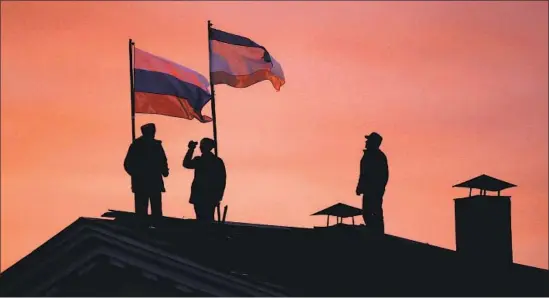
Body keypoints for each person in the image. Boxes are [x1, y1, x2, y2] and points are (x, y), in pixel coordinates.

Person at [123, 123, 169, 219]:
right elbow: (128, 164)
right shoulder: (136, 145)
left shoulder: (156, 145)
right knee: (141, 212)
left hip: (154, 182)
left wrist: (164, 170)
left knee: (156, 210)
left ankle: (156, 227)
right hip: (141, 183)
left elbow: (162, 160)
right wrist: (137, 174)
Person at [183, 138, 227, 222]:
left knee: (206, 219)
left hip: (208, 195)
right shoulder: (212, 161)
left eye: (203, 145)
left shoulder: (215, 161)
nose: (201, 147)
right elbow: (186, 164)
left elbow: (221, 180)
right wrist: (191, 149)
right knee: (203, 219)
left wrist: (218, 195)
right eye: (201, 145)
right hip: (202, 194)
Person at [356, 132, 389, 234]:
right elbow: (363, 174)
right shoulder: (369, 156)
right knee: (367, 212)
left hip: (374, 191)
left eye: (369, 140)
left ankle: (377, 234)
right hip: (368, 190)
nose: (366, 141)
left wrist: (378, 189)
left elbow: (383, 175)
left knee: (375, 212)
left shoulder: (378, 157)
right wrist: (360, 186)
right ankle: (373, 231)